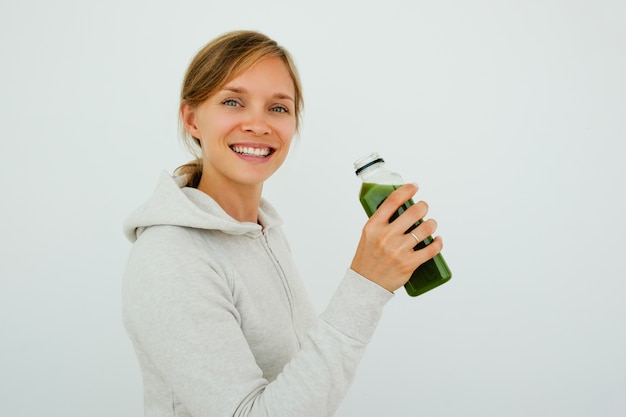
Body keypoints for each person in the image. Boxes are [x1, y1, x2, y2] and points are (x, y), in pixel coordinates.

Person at [122, 30, 443, 417]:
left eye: (278, 108)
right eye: (233, 102)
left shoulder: (264, 230)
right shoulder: (171, 258)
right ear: (192, 119)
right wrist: (366, 284)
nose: (258, 125)